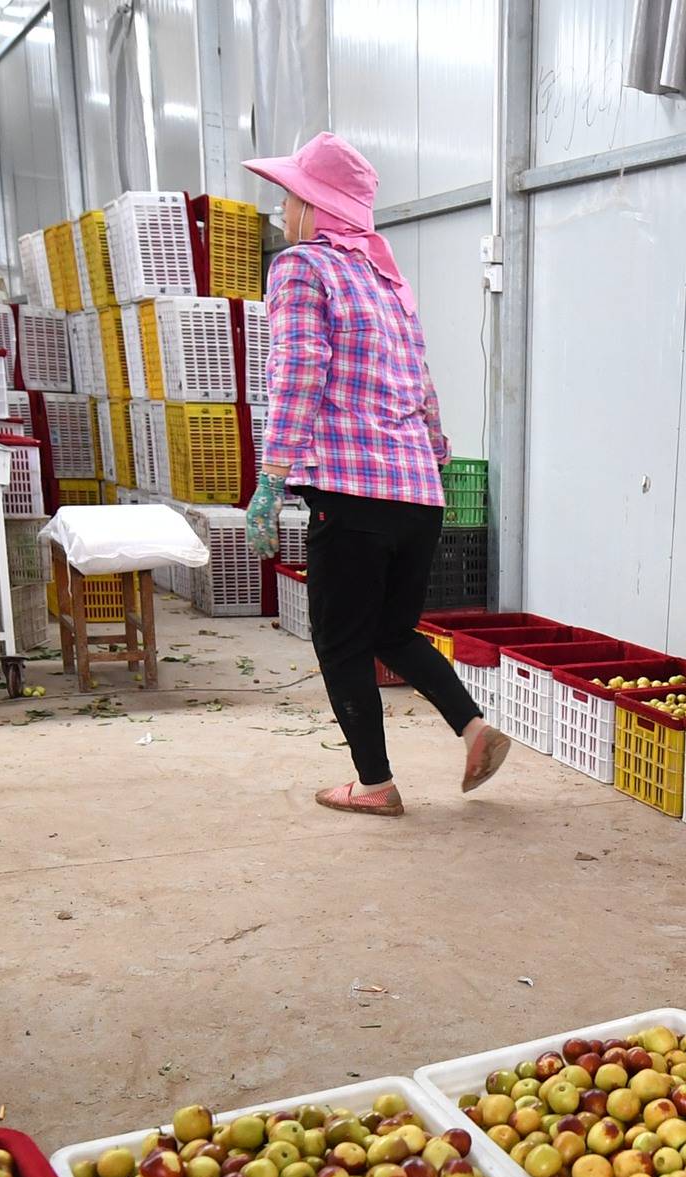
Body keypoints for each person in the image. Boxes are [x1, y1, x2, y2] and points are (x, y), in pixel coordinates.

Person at [241, 133, 508, 819]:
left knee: (340, 641)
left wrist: (271, 478)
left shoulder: (302, 268)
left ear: (315, 207)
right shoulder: (387, 279)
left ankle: (375, 783)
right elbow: (423, 388)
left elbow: (296, 371)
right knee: (392, 630)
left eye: (289, 197)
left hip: (352, 493)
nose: (280, 210)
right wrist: (434, 454)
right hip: (418, 493)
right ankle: (475, 728)